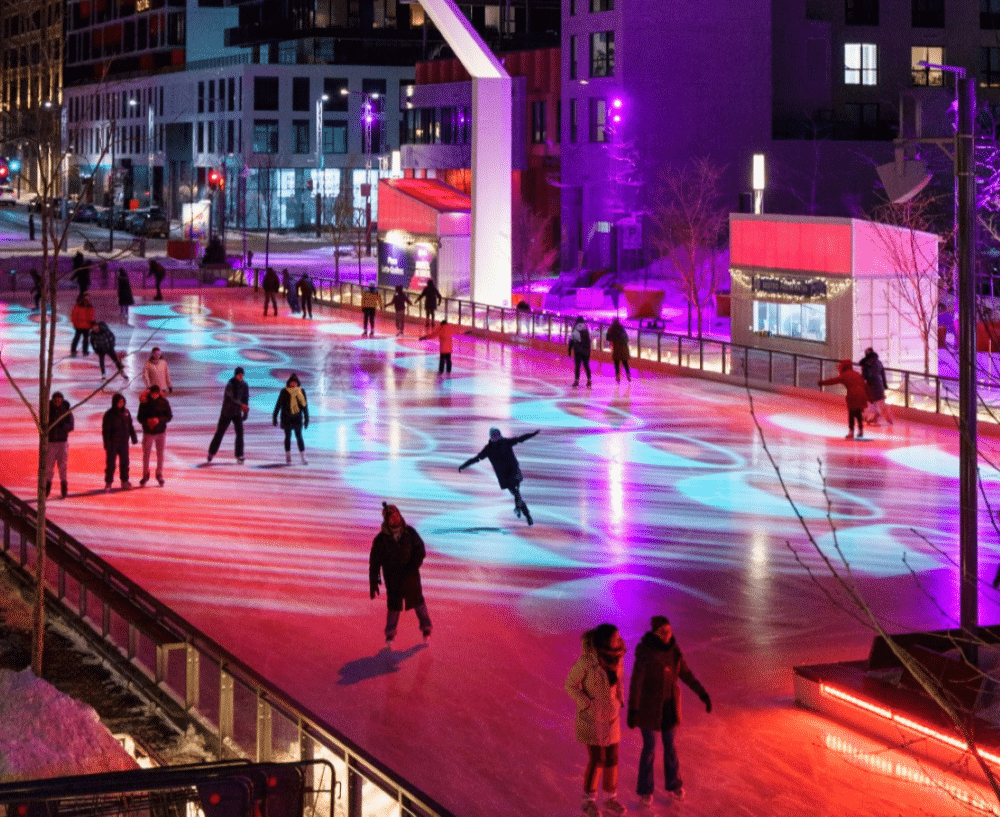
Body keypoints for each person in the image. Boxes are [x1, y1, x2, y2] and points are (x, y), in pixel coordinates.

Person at [627, 615, 712, 806]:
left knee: (670, 748)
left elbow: (687, 674)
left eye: (669, 631)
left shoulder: (674, 651)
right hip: (649, 708)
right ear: (655, 633)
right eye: (662, 632)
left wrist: (702, 694)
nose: (666, 635)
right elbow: (636, 682)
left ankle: (674, 784)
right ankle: (645, 790)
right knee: (649, 748)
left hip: (669, 708)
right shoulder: (645, 652)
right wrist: (633, 709)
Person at [565, 623, 627, 817]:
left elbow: (619, 682)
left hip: (612, 716)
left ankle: (610, 798)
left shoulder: (618, 658)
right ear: (604, 641)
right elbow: (570, 685)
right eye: (614, 638)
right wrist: (586, 703)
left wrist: (620, 699)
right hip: (592, 718)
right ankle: (589, 801)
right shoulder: (587, 661)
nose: (618, 640)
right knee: (598, 759)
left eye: (618, 637)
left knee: (612, 759)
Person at [369, 502, 433, 647]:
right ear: (386, 520)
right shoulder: (381, 540)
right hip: (393, 579)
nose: (395, 519)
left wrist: (413, 566)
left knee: (419, 603)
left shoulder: (409, 533)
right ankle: (390, 633)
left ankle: (426, 628)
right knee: (393, 607)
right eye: (391, 517)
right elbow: (374, 562)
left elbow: (420, 550)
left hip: (411, 577)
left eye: (397, 515)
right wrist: (374, 580)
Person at [458, 427, 540, 525]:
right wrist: (464, 465)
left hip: (513, 471)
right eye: (494, 435)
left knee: (517, 491)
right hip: (504, 476)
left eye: (497, 435)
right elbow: (477, 458)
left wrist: (533, 434)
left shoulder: (506, 442)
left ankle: (522, 512)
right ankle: (525, 513)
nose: (496, 437)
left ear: (500, 434)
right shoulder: (488, 449)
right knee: (516, 493)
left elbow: (520, 439)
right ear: (491, 437)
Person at [207, 366, 249, 463]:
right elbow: (229, 398)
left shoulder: (244, 385)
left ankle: (239, 455)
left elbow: (245, 399)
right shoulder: (230, 384)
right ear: (235, 375)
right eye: (239, 375)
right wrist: (241, 405)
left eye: (242, 375)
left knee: (240, 433)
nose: (241, 376)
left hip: (237, 413)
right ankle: (211, 452)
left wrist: (245, 412)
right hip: (227, 412)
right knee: (220, 433)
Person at [819, 360, 869, 439]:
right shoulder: (857, 374)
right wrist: (870, 398)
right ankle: (860, 430)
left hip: (853, 395)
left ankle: (851, 432)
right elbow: (865, 385)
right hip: (862, 395)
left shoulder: (845, 375)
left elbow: (833, 381)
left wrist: (822, 383)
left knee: (852, 414)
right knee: (858, 413)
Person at [136, 384, 172, 487]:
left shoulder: (164, 402)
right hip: (148, 433)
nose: (154, 395)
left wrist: (158, 420)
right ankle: (145, 474)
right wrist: (147, 421)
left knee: (160, 454)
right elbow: (139, 418)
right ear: (150, 393)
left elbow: (169, 416)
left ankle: (159, 474)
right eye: (153, 394)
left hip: (161, 432)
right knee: (146, 455)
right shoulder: (144, 403)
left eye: (156, 394)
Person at [101, 392, 138, 491]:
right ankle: (108, 482)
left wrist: (133, 437)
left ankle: (124, 481)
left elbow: (130, 426)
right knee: (111, 464)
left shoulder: (126, 412)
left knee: (125, 463)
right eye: (119, 402)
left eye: (122, 402)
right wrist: (107, 443)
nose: (121, 404)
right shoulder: (109, 414)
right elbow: (106, 431)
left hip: (124, 443)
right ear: (115, 402)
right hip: (113, 443)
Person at [272, 373, 309, 464]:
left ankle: (303, 457)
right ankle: (288, 456)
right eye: (292, 382)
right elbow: (279, 404)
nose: (293, 384)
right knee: (287, 437)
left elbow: (304, 406)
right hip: (286, 418)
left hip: (297, 418)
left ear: (297, 383)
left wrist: (307, 418)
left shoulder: (301, 391)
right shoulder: (284, 391)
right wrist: (275, 417)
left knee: (299, 437)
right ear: (289, 383)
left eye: (295, 382)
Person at [45, 391, 74, 499]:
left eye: (59, 399)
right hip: (51, 442)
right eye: (55, 399)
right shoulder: (48, 411)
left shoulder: (66, 411)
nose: (57, 401)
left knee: (63, 466)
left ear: (62, 400)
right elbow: (43, 424)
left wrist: (62, 425)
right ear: (52, 400)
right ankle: (46, 489)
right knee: (49, 467)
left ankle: (64, 488)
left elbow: (71, 426)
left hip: (62, 442)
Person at [859, 347, 894, 427]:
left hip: (871, 385)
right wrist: (884, 384)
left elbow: (865, 376)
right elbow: (883, 374)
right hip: (879, 384)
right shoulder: (879, 362)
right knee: (878, 402)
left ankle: (877, 416)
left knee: (871, 402)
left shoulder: (866, 364)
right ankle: (877, 416)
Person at [569, 316, 592, 388]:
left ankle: (576, 381)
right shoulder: (586, 328)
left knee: (577, 366)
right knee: (586, 366)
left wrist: (569, 349)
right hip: (586, 350)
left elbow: (572, 339)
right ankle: (589, 380)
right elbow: (588, 340)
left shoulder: (575, 328)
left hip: (578, 350)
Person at [606, 318, 631, 384]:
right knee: (625, 362)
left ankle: (617, 376)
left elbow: (608, 337)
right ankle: (628, 374)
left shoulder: (611, 328)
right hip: (624, 347)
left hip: (616, 347)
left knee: (616, 362)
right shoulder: (621, 328)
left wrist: (611, 342)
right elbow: (626, 338)